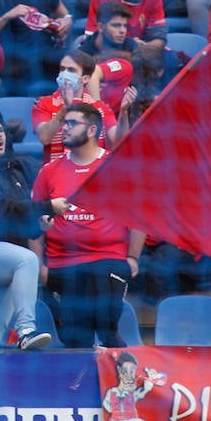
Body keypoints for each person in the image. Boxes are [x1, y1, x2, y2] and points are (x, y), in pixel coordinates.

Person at [31, 102, 143, 348]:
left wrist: (133, 258)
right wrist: (39, 267)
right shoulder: (49, 171)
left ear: (92, 130)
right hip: (63, 264)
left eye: (71, 123)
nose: (65, 128)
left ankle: (120, 376)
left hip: (107, 260)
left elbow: (140, 216)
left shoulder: (118, 167)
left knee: (106, 329)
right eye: (63, 123)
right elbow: (33, 220)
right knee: (74, 340)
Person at [0, 112, 62, 349]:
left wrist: (37, 226)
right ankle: (26, 329)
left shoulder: (14, 169)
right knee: (28, 259)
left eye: (0, 130)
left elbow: (19, 222)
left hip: (9, 263)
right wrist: (47, 206)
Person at [31, 50, 118, 162]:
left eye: (71, 70)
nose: (64, 74)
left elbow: (116, 141)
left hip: (93, 172)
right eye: (62, 69)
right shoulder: (43, 103)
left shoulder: (101, 108)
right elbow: (44, 138)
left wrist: (124, 112)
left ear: (85, 79)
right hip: (57, 172)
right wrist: (65, 108)